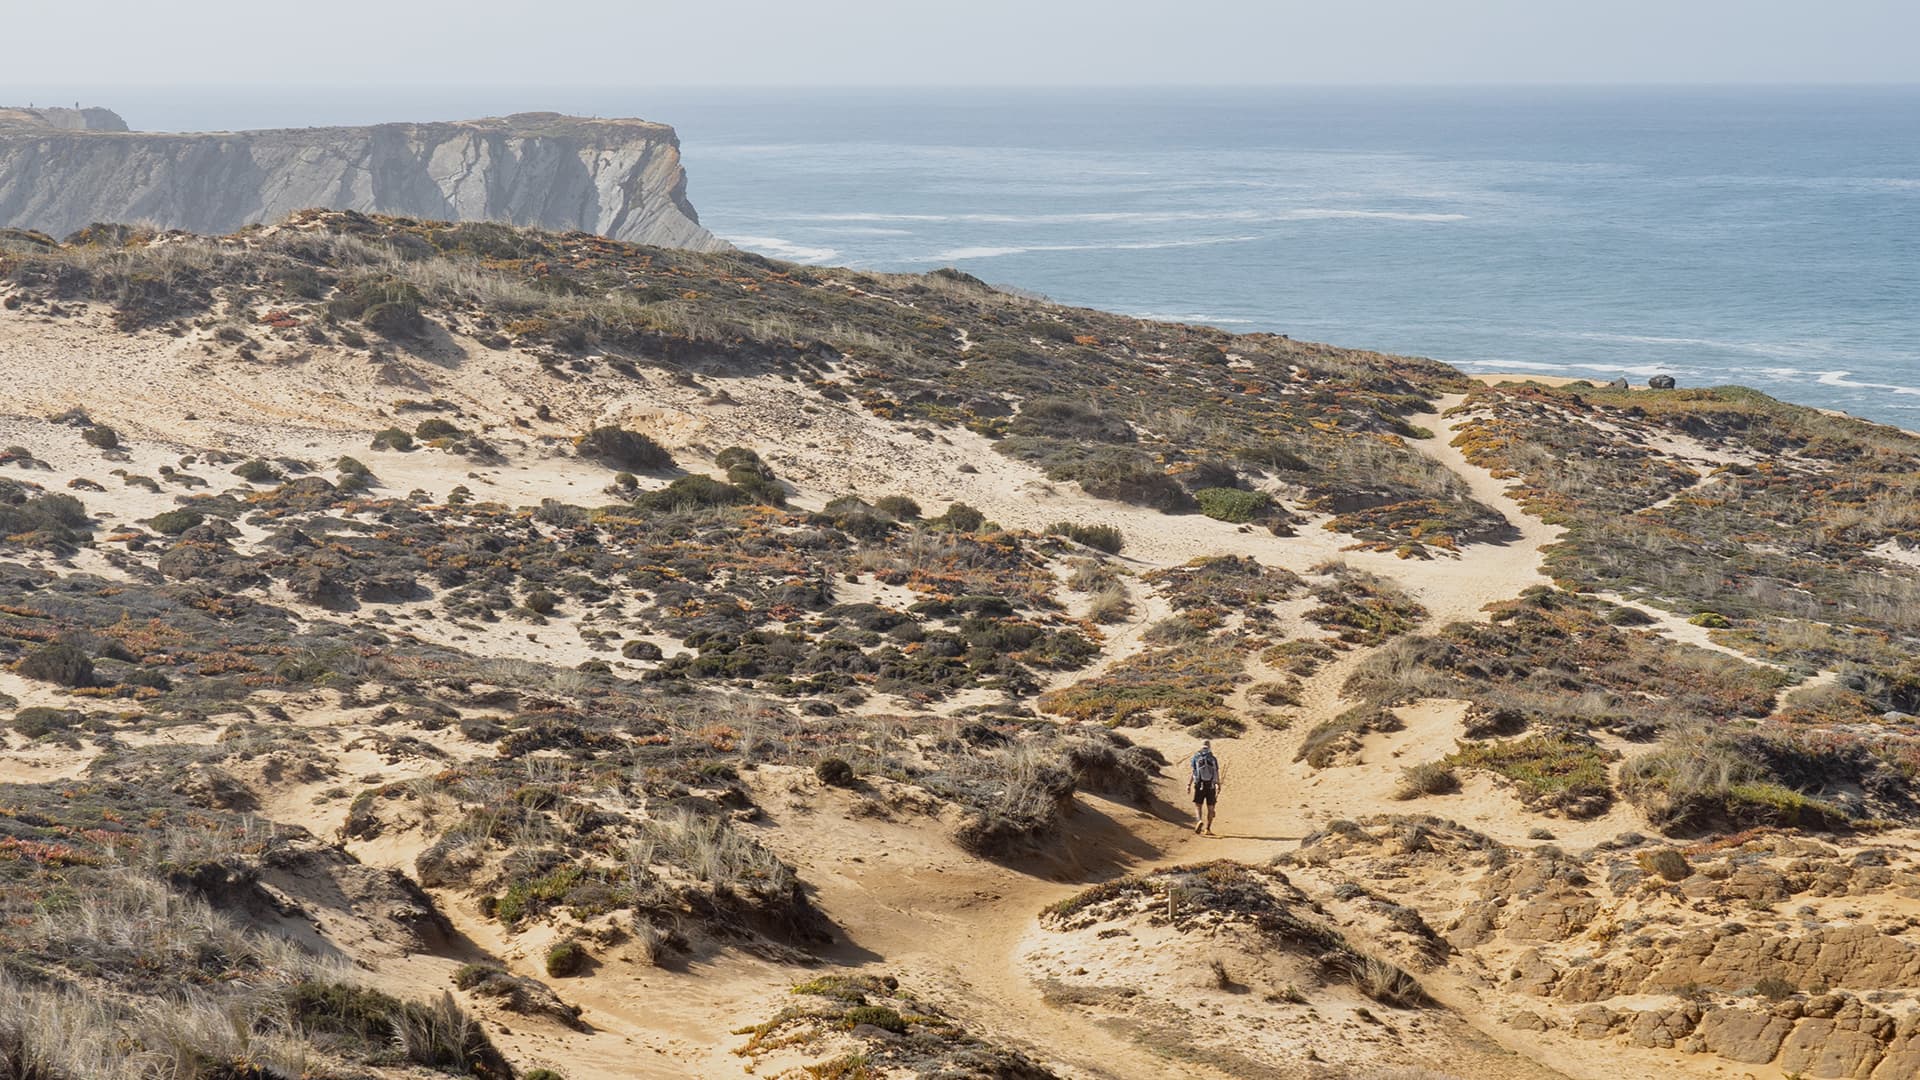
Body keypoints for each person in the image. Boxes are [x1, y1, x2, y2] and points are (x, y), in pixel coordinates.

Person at [1187, 739, 1221, 835]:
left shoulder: (1196, 757)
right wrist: (1218, 785)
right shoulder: (1213, 758)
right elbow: (1216, 772)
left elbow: (1193, 772)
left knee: (1198, 806)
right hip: (1211, 786)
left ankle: (1199, 821)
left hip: (1199, 785)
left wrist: (1189, 784)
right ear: (1209, 747)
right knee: (1211, 808)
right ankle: (1208, 829)